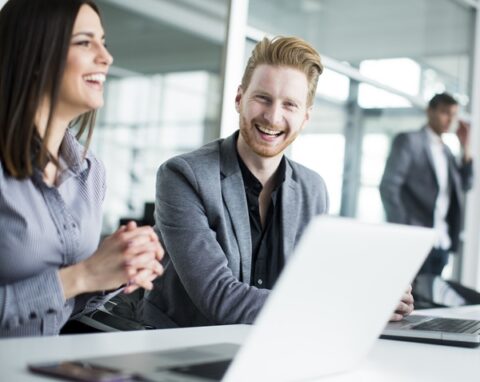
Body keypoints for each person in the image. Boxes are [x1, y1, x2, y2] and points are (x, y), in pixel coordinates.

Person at [144, 36, 413, 328]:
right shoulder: (183, 176)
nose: (273, 117)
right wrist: (349, 304)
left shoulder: (313, 189)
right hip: (184, 347)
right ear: (239, 99)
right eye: (263, 98)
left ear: (305, 117)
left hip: (271, 343)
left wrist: (377, 291)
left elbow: (313, 280)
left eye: (290, 105)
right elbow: (220, 298)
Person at [0, 0, 164, 337]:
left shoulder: (90, 173)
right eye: (85, 42)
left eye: (103, 42)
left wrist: (115, 271)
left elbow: (67, 306)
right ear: (34, 53)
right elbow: (73, 281)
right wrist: (83, 275)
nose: (106, 57)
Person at [380, 92, 473, 277]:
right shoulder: (409, 141)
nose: (450, 119)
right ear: (430, 111)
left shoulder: (447, 151)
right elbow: (389, 187)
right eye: (445, 112)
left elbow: (465, 185)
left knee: (432, 302)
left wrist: (466, 148)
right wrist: (404, 230)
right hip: (415, 240)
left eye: (454, 115)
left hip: (442, 243)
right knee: (411, 301)